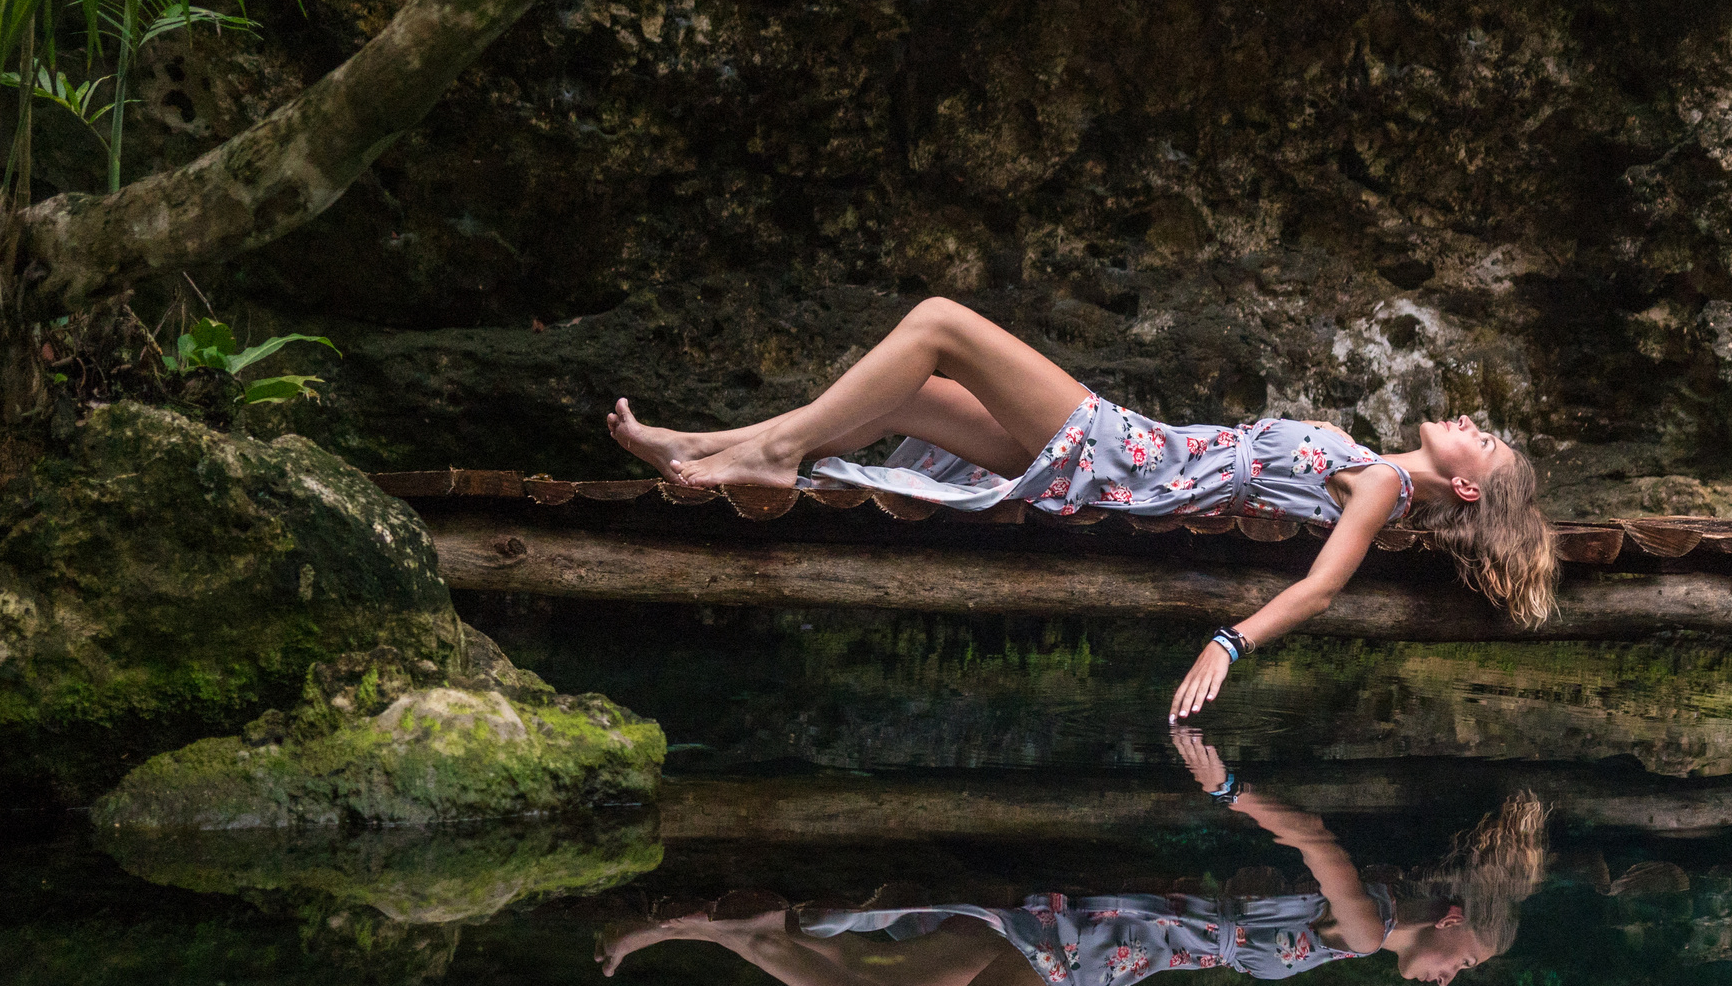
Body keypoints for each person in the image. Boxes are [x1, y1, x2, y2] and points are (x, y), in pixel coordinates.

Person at [605, 297, 1557, 720]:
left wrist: (1227, 644)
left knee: (939, 323)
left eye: (1487, 437)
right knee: (901, 396)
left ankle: (765, 455)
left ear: (1467, 487)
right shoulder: (1371, 467)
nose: (1473, 419)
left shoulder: (1385, 488)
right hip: (1129, 453)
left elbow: (1320, 588)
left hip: (1125, 458)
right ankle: (710, 448)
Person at [594, 732, 1549, 986]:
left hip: (1098, 913)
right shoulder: (1377, 923)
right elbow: (1315, 839)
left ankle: (699, 925)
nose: (1449, 978)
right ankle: (743, 933)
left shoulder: (1374, 924)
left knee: (884, 981)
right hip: (1095, 947)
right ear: (1455, 917)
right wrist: (1230, 792)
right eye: (1467, 962)